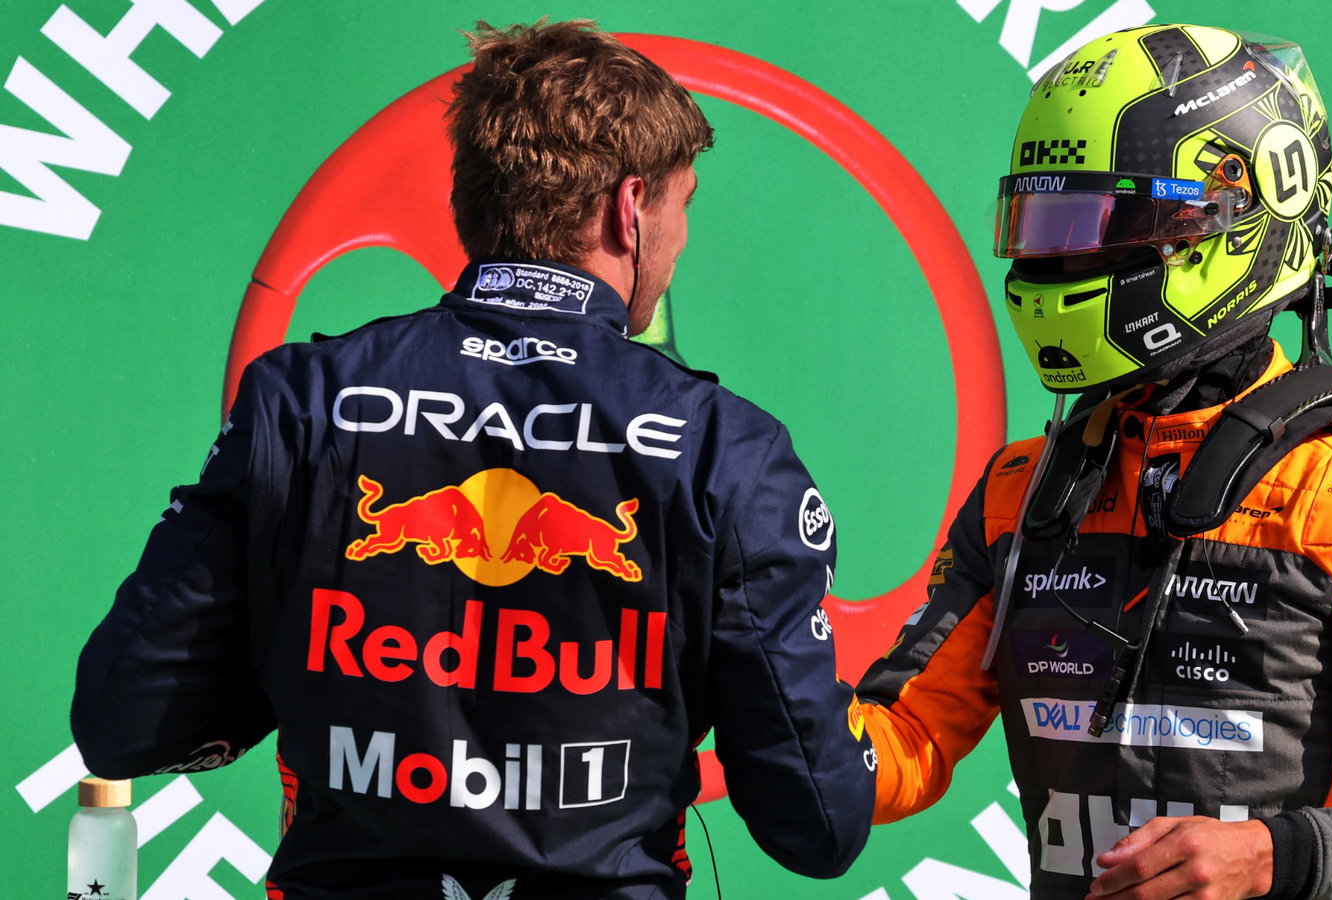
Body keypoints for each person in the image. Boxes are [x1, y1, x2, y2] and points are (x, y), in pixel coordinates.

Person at [71, 19, 873, 899]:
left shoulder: (299, 401)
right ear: (630, 207)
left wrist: (307, 664)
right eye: (682, 206)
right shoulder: (726, 448)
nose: (679, 241)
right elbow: (817, 821)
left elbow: (124, 721)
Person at [856, 23, 1332, 900]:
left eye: (1102, 227)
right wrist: (748, 678)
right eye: (1043, 229)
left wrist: (1273, 857)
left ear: (1235, 220)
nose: (1059, 262)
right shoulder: (1024, 492)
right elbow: (900, 746)